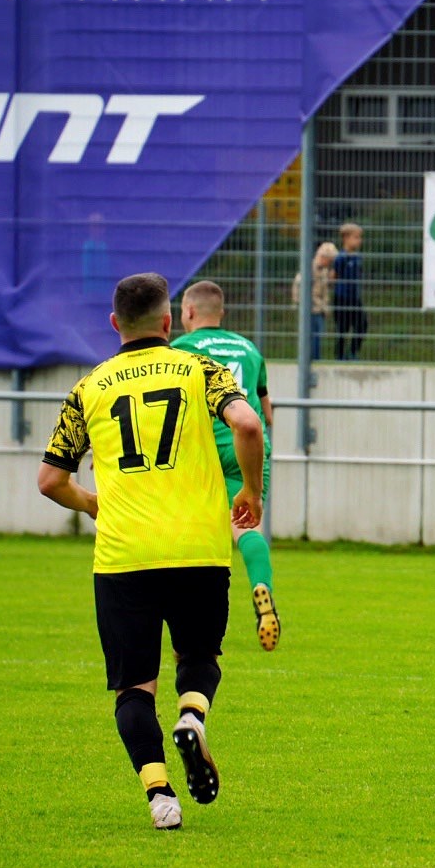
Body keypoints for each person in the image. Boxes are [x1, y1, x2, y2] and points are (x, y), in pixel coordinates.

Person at [37, 272, 266, 831]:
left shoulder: (89, 387)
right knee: (198, 659)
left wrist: (92, 504)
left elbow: (49, 481)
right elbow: (248, 423)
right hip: (197, 549)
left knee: (134, 688)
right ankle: (193, 718)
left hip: (124, 556)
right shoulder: (198, 369)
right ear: (168, 322)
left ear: (114, 324)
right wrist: (251, 492)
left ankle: (161, 797)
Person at [172, 280, 282, 650]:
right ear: (222, 312)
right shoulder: (250, 349)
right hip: (248, 447)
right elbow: (266, 412)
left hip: (206, 447)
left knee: (194, 530)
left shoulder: (180, 349)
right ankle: (261, 587)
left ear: (188, 312)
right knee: (247, 527)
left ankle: (191, 614)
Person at [292, 241, 336, 362]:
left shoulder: (324, 270)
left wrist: (325, 306)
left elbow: (324, 291)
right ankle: (310, 359)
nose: (330, 263)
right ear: (324, 257)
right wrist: (298, 302)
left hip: (319, 309)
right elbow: (301, 289)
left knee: (318, 335)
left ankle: (315, 359)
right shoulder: (308, 268)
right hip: (309, 309)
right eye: (330, 260)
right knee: (311, 336)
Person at [333, 222, 366, 361]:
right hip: (342, 297)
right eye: (356, 237)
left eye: (360, 237)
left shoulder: (357, 257)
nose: (359, 240)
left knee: (362, 325)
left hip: (355, 297)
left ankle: (352, 352)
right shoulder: (341, 257)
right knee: (342, 328)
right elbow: (334, 275)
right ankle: (340, 356)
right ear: (346, 238)